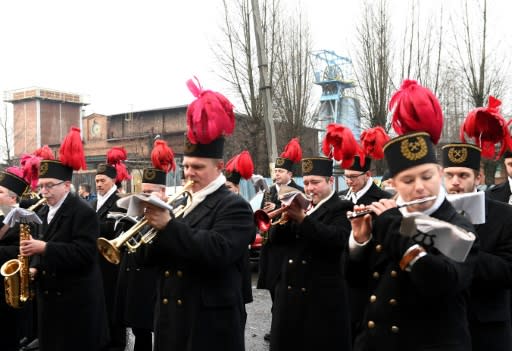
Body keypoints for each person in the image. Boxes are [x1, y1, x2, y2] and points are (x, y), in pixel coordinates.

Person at [347, 80, 478, 350]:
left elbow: (440, 282)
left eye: (426, 176)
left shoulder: (457, 225)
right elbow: (355, 283)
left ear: (440, 174)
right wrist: (358, 243)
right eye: (407, 180)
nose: (419, 187)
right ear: (393, 183)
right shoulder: (387, 216)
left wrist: (395, 225)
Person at [139, 79, 255, 351]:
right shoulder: (181, 201)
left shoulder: (234, 205)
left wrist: (168, 226)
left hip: (208, 323)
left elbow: (218, 250)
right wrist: (148, 229)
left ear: (218, 166)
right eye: (186, 166)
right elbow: (149, 261)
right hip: (170, 318)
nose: (189, 173)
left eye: (197, 167)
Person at [20, 127, 109, 351]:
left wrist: (45, 248)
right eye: (41, 186)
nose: (44, 191)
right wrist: (34, 267)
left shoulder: (83, 211)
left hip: (75, 302)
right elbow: (41, 250)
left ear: (67, 186)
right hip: (50, 301)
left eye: (49, 185)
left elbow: (85, 254)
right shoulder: (42, 212)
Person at [268, 156, 352, 350]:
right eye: (306, 183)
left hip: (320, 301)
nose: (309, 188)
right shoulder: (304, 205)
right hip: (289, 298)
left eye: (315, 182)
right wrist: (285, 219)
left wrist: (302, 219)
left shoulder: (341, 208)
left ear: (330, 181)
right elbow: (275, 239)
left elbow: (336, 239)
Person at [442, 142, 512, 350]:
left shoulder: (504, 215)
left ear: (478, 178)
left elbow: (507, 271)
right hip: (443, 328)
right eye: (449, 175)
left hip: (487, 330)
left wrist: (460, 247)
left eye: (463, 175)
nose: (455, 182)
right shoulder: (430, 214)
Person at [115, 140, 171, 351]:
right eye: (143, 191)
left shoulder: (170, 213)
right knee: (141, 333)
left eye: (150, 192)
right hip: (136, 280)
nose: (145, 197)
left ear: (163, 191)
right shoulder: (141, 211)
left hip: (155, 282)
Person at [256, 137, 304, 342]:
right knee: (273, 292)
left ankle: (283, 328)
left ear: (290, 174)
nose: (276, 175)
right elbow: (261, 217)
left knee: (284, 292)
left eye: (281, 172)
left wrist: (276, 211)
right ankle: (276, 326)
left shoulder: (296, 192)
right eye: (275, 171)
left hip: (286, 248)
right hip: (270, 247)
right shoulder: (269, 191)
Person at [93, 146, 131, 351]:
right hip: (96, 263)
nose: (99, 184)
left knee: (113, 307)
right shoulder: (93, 204)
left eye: (103, 181)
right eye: (97, 180)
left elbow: (120, 230)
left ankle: (116, 345)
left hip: (113, 265)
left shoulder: (120, 202)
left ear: (113, 181)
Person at [0, 166, 35, 351]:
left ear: (12, 198)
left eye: (0, 192)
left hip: (11, 289)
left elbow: (20, 249)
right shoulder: (2, 214)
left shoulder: (24, 218)